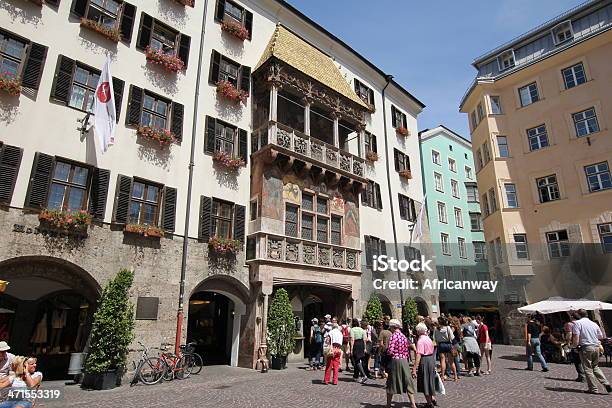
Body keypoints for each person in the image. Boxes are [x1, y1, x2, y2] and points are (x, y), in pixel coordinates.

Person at [571, 309, 611, 394]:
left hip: (585, 347)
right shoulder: (594, 324)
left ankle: (593, 389)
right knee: (595, 367)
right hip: (596, 346)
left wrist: (573, 347)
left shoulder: (577, 324)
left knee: (588, 369)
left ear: (578, 315)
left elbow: (576, 338)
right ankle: (606, 382)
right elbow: (600, 336)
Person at [385, 319, 417, 408]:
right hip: (404, 360)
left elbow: (390, 351)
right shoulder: (403, 336)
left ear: (393, 327)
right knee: (408, 381)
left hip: (396, 360)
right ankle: (413, 404)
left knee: (391, 381)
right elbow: (407, 350)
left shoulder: (393, 336)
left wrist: (387, 353)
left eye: (390, 327)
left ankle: (388, 404)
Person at [413, 323, 437, 408]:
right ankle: (432, 398)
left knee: (425, 381)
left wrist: (414, 368)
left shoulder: (420, 341)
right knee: (430, 379)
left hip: (425, 360)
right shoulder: (428, 338)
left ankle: (429, 403)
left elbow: (418, 355)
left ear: (419, 331)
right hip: (431, 359)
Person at [434, 316, 457, 381]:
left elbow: (435, 338)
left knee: (442, 361)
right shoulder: (447, 328)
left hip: (441, 345)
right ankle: (455, 376)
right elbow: (452, 337)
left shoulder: (436, 329)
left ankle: (442, 376)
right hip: (448, 344)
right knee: (451, 361)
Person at [564, 314, 585, 382]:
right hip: (584, 343)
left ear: (572, 317)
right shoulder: (582, 323)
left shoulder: (570, 324)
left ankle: (581, 376)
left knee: (577, 361)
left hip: (576, 344)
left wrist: (568, 343)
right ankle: (586, 376)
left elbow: (569, 334)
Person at [350, 318, 369, 383]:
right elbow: (365, 339)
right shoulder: (362, 329)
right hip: (361, 344)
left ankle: (364, 375)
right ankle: (356, 376)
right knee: (360, 360)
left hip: (356, 344)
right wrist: (365, 348)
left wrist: (351, 349)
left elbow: (352, 339)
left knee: (357, 360)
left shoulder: (352, 329)